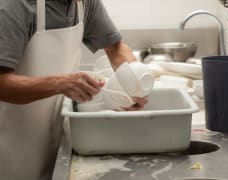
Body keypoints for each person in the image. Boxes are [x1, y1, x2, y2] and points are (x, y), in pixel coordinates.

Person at [0, 0, 148, 179]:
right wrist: (60, 83)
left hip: (57, 133)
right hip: (12, 144)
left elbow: (115, 47)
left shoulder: (84, 3)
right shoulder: (15, 5)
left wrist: (134, 83)